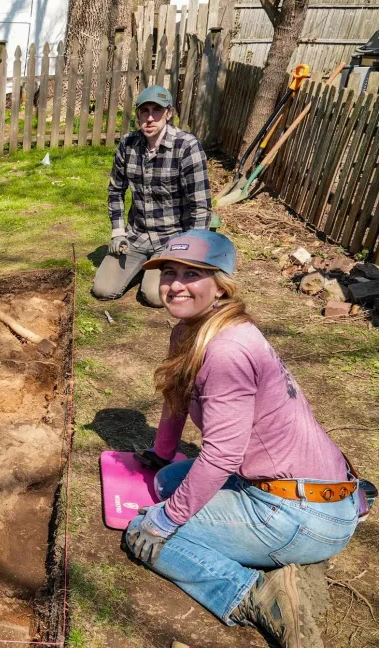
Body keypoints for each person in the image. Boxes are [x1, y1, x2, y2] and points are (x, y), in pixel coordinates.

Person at [124, 230, 362, 648]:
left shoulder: (226, 349)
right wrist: (162, 454)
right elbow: (177, 397)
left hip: (301, 514)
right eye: (169, 272)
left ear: (221, 283)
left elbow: (221, 453)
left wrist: (166, 520)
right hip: (295, 489)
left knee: (145, 529)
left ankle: (254, 594)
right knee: (166, 483)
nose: (175, 284)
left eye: (191, 274)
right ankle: (276, 546)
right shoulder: (193, 329)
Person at [92, 85, 211, 308]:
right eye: (144, 111)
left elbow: (201, 206)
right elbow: (115, 190)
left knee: (155, 297)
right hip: (136, 235)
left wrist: (192, 251)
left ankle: (156, 269)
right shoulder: (128, 144)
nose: (149, 118)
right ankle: (143, 265)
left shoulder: (186, 146)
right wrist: (118, 231)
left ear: (169, 113)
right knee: (102, 290)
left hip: (173, 239)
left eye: (157, 110)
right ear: (137, 114)